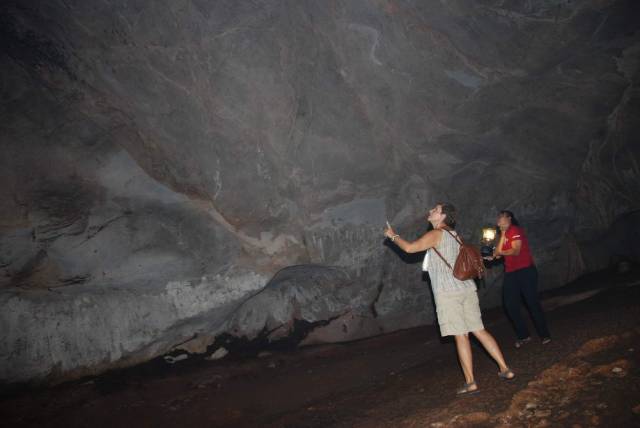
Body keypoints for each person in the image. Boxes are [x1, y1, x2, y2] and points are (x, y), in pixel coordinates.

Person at [384, 202, 514, 395]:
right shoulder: (456, 236)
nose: (430, 211)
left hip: (448, 292)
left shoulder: (436, 234)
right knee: (478, 330)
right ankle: (505, 368)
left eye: (435, 210)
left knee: (461, 335)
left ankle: (471, 382)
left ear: (443, 216)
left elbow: (410, 249)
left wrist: (392, 236)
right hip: (467, 289)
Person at [490, 210, 551, 348]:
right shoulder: (504, 234)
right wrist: (495, 252)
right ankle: (524, 335)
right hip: (511, 273)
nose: (498, 220)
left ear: (509, 218)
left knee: (532, 302)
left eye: (501, 217)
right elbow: (498, 254)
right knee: (510, 305)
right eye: (498, 218)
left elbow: (515, 250)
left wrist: (499, 253)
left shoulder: (515, 230)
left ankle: (544, 334)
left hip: (526, 271)